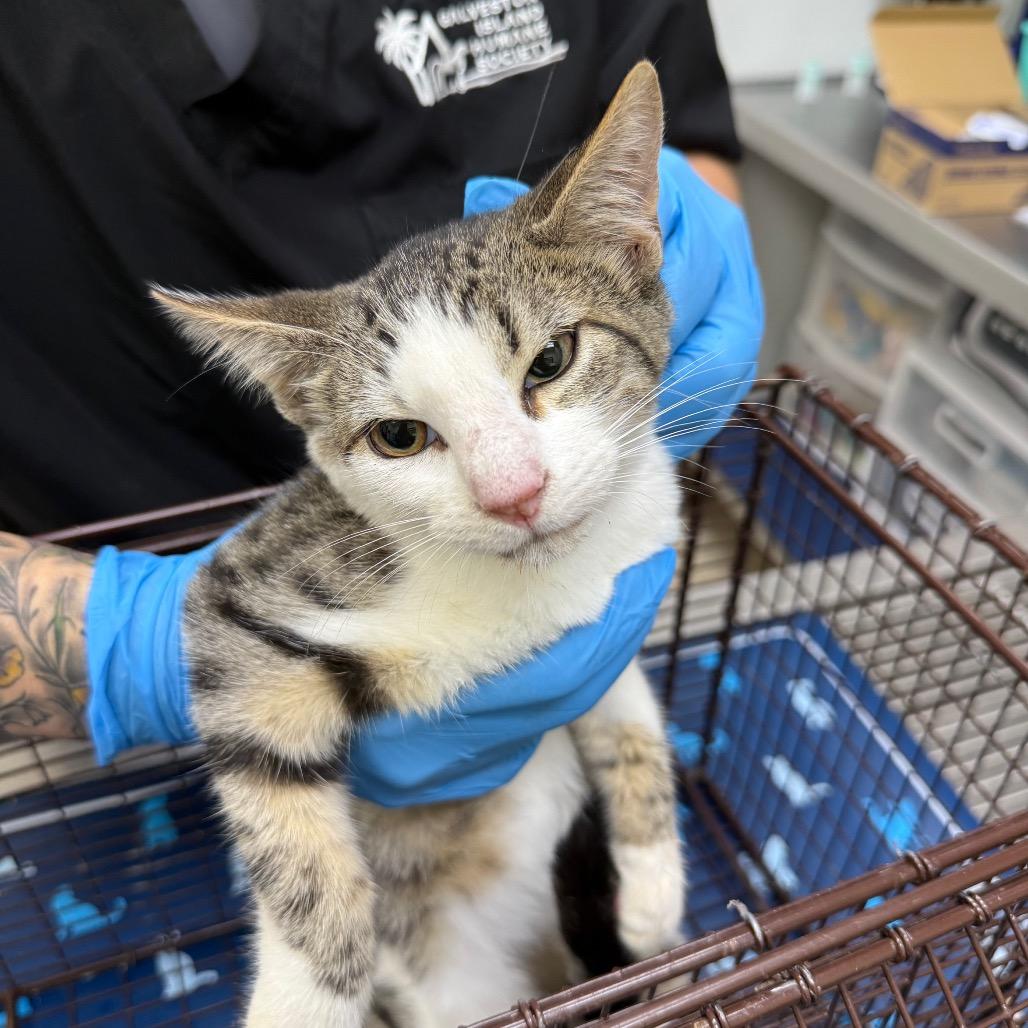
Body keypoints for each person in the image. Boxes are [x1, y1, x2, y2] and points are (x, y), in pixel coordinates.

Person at [0, 1, 763, 804]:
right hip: (100, 664)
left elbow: (679, 123)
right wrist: (132, 652)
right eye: (401, 432)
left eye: (547, 363)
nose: (511, 491)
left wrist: (644, 237)